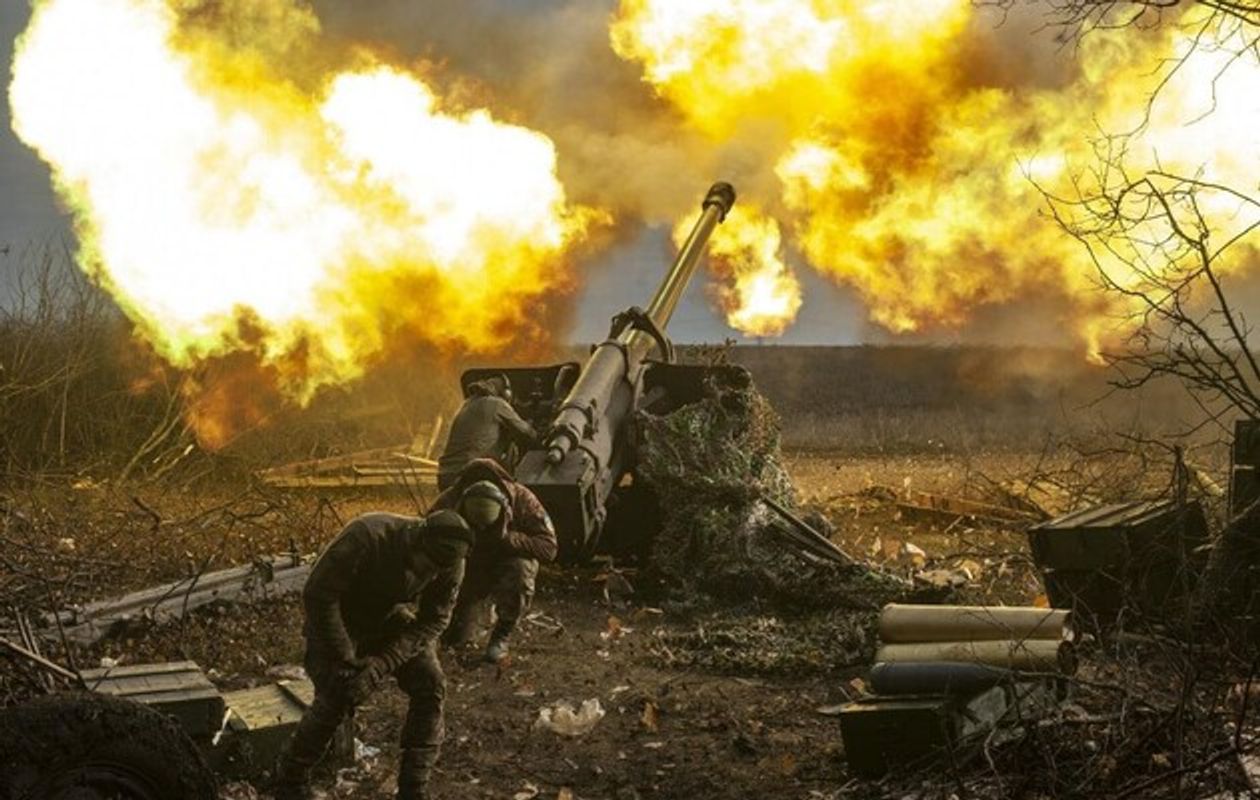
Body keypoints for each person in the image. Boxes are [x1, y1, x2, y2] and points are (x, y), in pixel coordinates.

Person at [274, 510, 475, 800]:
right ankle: (290, 781)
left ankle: (413, 789)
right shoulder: (367, 535)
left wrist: (382, 664)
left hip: (389, 618)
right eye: (427, 566)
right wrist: (346, 657)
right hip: (339, 619)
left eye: (437, 571)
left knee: (431, 683)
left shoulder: (452, 562)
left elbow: (434, 620)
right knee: (340, 688)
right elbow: (319, 594)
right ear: (416, 542)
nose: (430, 576)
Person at [433, 459, 557, 662]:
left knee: (521, 567)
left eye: (487, 525)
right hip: (469, 568)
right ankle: (450, 619)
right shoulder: (450, 500)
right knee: (454, 640)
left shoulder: (522, 499)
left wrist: (510, 540)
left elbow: (548, 547)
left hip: (504, 563)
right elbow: (425, 541)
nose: (482, 530)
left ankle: (502, 634)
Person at [437, 374, 537, 491]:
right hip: (472, 476)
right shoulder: (497, 404)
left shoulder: (465, 406)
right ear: (505, 393)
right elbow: (527, 433)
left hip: (445, 475)